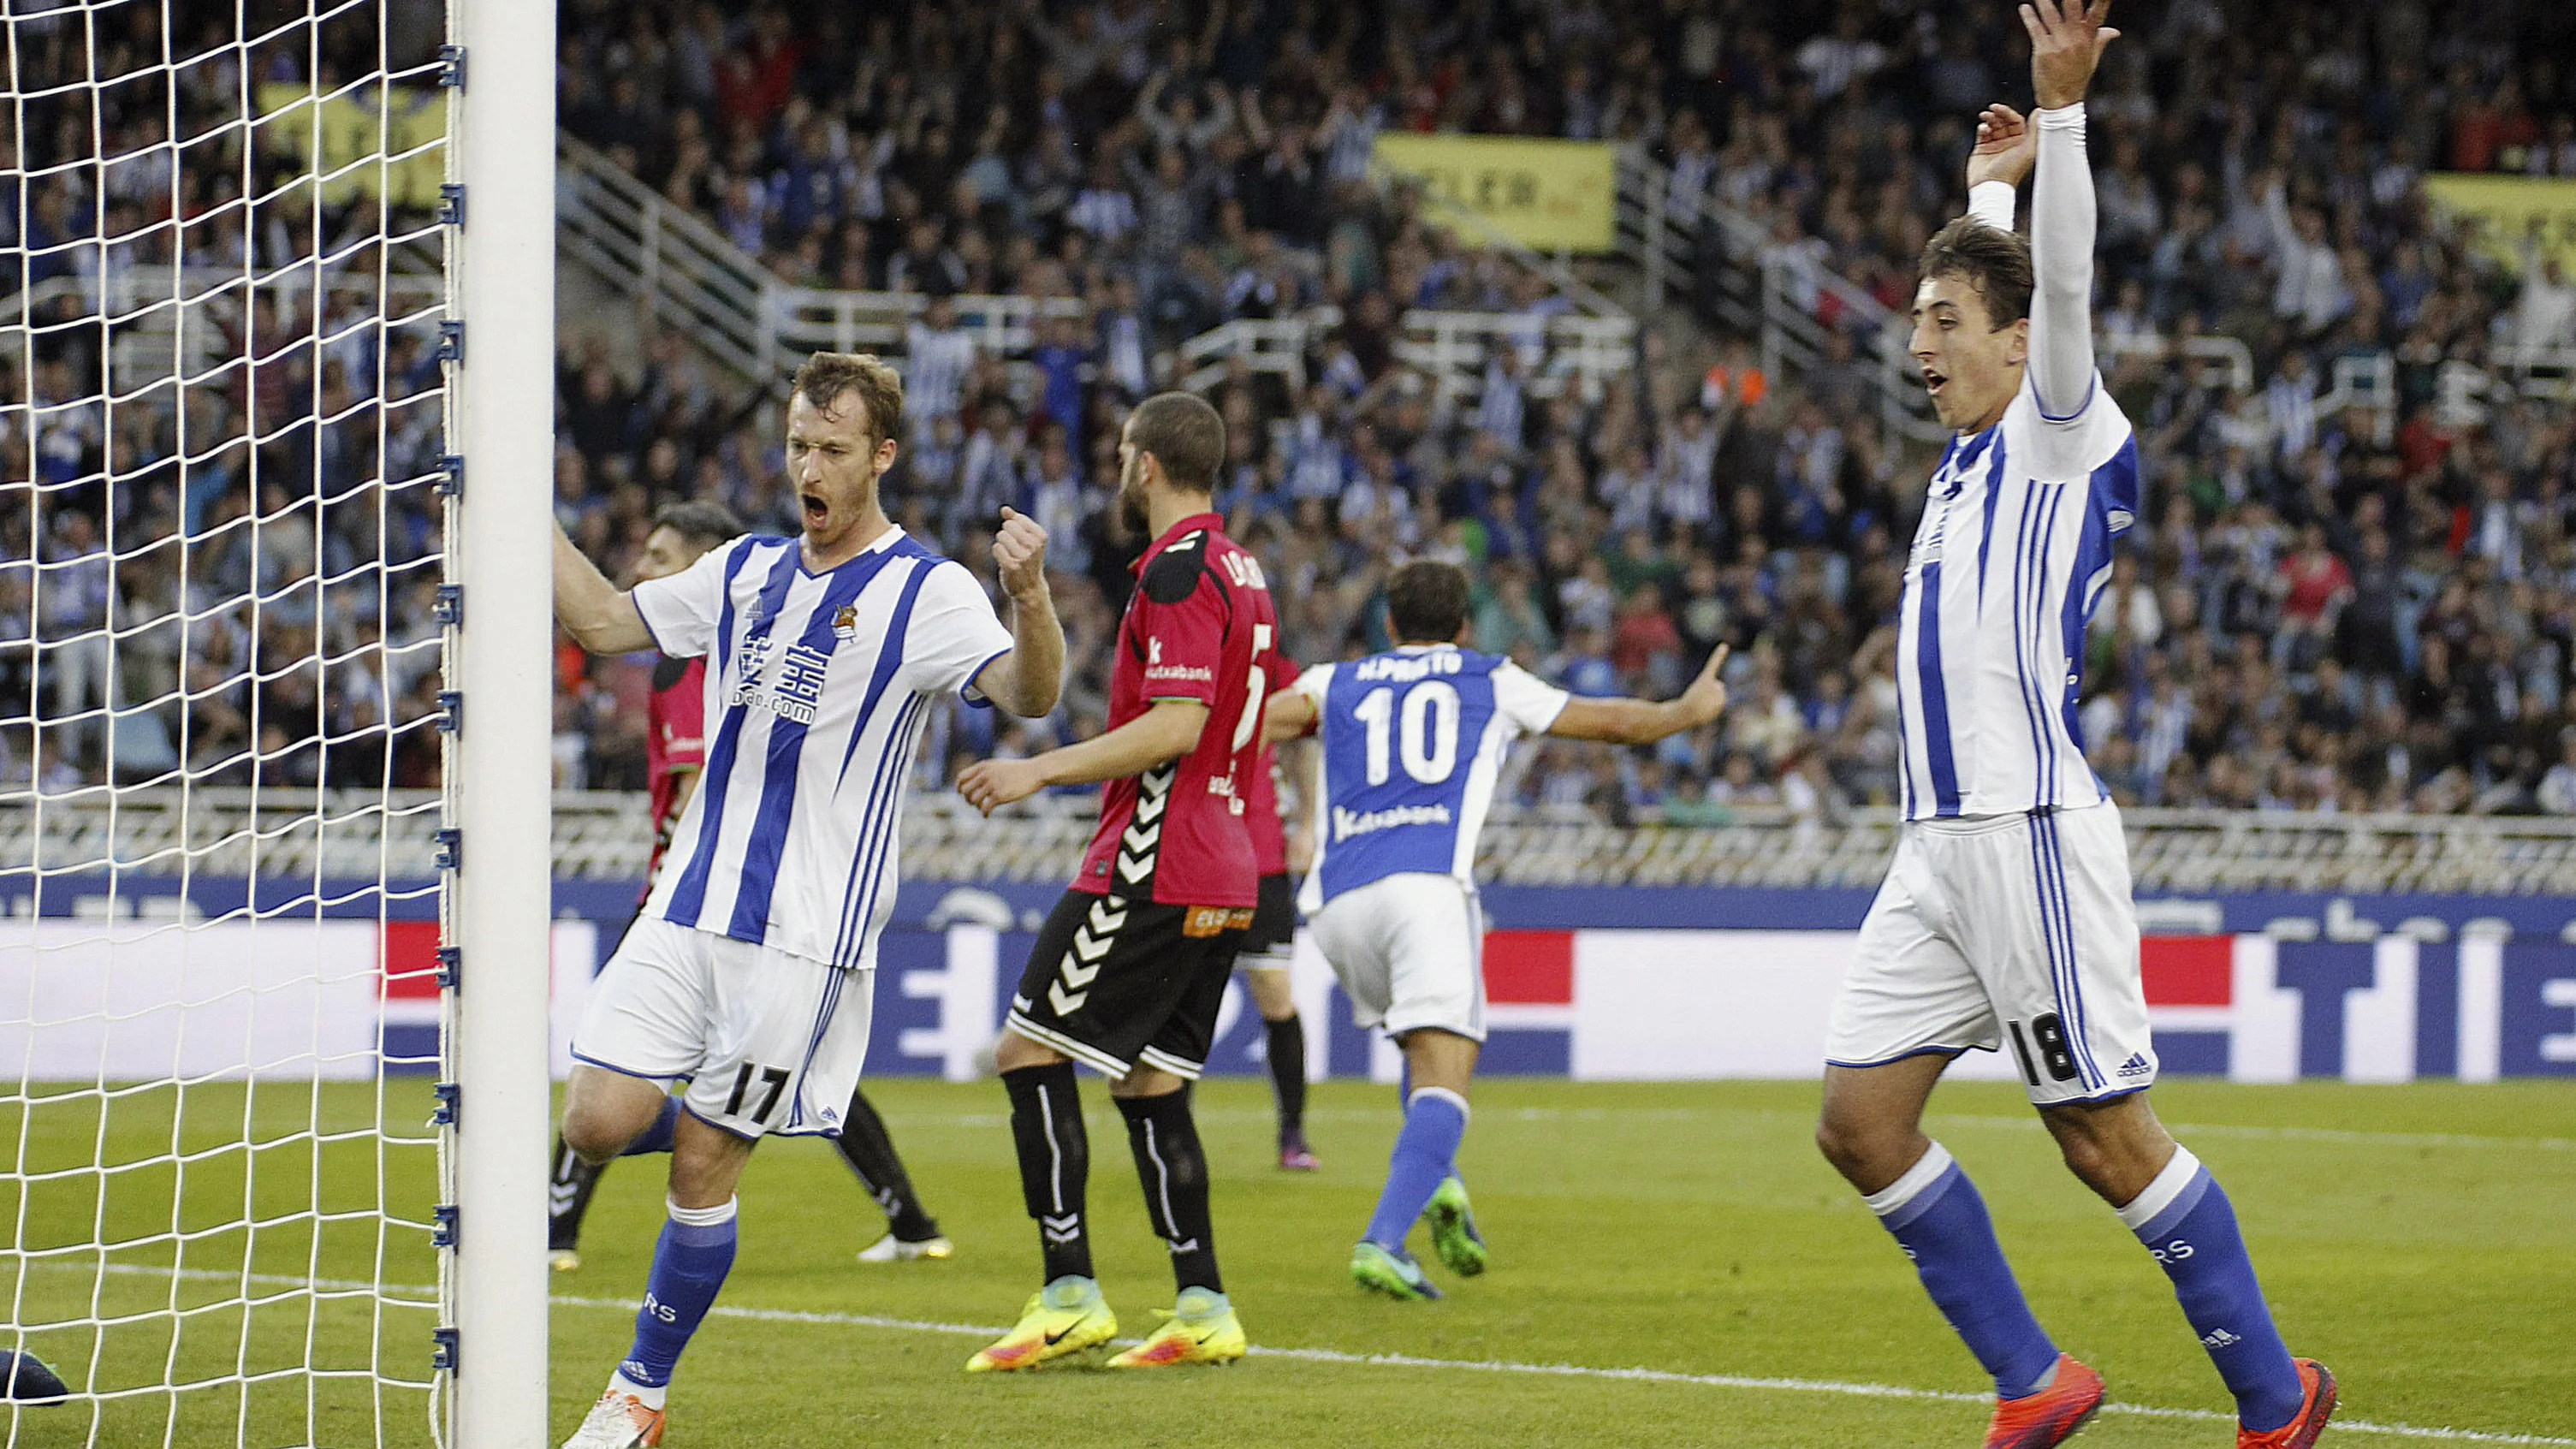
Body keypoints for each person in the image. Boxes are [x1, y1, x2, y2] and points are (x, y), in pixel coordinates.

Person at [1813, 8, 2337, 1448]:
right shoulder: (1973, 454)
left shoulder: (2057, 428)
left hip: (2030, 834)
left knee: (2101, 1139)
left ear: (2018, 345)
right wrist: (1991, 183)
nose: (1917, 343)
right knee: (1860, 1124)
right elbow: (1994, 271)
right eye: (1913, 320)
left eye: (1941, 324)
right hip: (1934, 848)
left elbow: (2059, 282)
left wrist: (2065, 125)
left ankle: (2274, 1394)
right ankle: (2037, 1377)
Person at [550, 352, 1064, 1449]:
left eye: (832, 448)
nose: (809, 467)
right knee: (594, 1124)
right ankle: (755, 1114)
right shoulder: (741, 570)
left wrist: (1029, 597)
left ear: (881, 455)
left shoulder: (926, 591)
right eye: (797, 445)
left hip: (806, 937)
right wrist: (510, 501)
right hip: (686, 904)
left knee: (701, 1167)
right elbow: (600, 622)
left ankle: (637, 1393)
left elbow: (1028, 694)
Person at [1261, 561, 1730, 1299]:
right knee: (1447, 1075)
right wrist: (1688, 710)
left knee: (1419, 1051)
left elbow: (1250, 722)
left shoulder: (1333, 680)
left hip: (1336, 903)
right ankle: (1384, 1240)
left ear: (1388, 624)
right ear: (1464, 627)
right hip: (1426, 889)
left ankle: (1440, 1184)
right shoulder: (1488, 676)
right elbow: (1611, 721)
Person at [545, 501, 958, 1276]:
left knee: (738, 1087)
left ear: (702, 567)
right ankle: (903, 1209)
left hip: (732, 900)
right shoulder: (686, 661)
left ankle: (559, 1229)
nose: (644, 570)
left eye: (662, 558)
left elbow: (714, 782)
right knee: (615, 1097)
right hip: (688, 894)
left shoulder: (695, 667)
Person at [953, 391, 1277, 1372]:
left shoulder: (1179, 570)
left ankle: (1067, 1293)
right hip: (1228, 865)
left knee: (1025, 1053)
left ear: (1145, 465)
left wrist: (1036, 767)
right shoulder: (1243, 568)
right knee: (1150, 1085)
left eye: (1119, 454)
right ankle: (1204, 1302)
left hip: (1155, 860)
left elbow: (1176, 725)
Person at [1237, 708, 1320, 1171]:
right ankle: (1169, 1129)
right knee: (1183, 997)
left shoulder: (1274, 669)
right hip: (1197, 852)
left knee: (1275, 996)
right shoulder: (1183, 655)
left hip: (1262, 858)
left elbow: (1300, 742)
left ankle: (1293, 1133)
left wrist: (1306, 824)